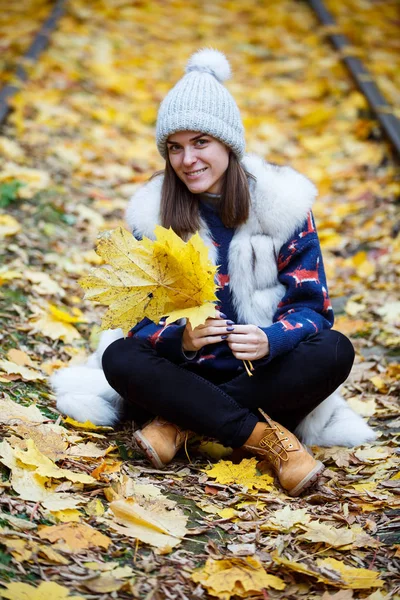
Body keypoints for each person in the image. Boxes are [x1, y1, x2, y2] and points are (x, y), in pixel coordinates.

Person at [97, 49, 357, 496]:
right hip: (186, 376)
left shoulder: (283, 208)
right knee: (118, 357)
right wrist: (180, 340)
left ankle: (180, 423)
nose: (188, 160)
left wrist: (272, 338)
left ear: (228, 145)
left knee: (334, 350)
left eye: (201, 143)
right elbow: (136, 320)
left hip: (265, 379)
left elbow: (314, 310)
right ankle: (267, 440)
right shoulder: (152, 218)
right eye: (175, 147)